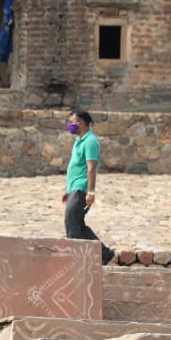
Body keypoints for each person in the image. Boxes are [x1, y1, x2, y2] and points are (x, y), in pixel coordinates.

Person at [62, 109, 115, 264]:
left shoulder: (90, 142)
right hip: (74, 188)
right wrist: (68, 190)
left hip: (81, 188)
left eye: (72, 122)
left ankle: (76, 258)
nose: (70, 125)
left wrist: (90, 192)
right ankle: (104, 253)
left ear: (81, 123)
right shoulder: (79, 140)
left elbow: (91, 167)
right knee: (77, 223)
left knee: (71, 221)